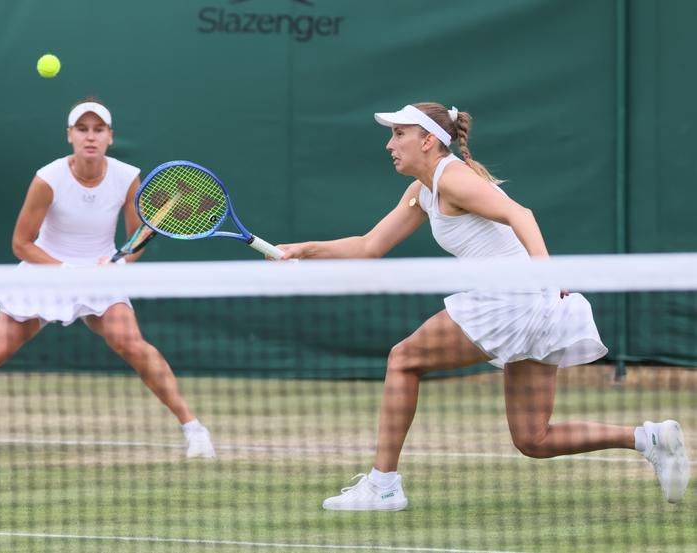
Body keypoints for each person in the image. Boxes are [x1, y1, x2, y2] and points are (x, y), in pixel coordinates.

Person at [277, 102, 691, 509]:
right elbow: (369, 246)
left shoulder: (453, 177)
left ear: (427, 141)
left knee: (403, 359)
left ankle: (383, 484)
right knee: (533, 439)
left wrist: (544, 272)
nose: (390, 143)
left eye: (399, 133)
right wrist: (304, 249)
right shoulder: (422, 191)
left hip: (514, 297)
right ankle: (648, 439)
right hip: (535, 306)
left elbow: (521, 214)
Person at [0, 98, 216, 460]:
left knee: (133, 346)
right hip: (45, 273)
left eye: (98, 130)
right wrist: (63, 272)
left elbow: (136, 239)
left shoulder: (128, 177)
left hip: (99, 278)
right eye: (82, 129)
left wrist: (119, 263)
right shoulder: (48, 178)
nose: (90, 137)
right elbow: (21, 243)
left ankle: (194, 430)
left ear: (110, 137)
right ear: (70, 136)